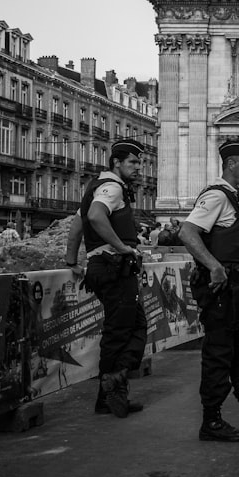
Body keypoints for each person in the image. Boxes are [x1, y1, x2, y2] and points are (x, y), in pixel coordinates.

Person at [179, 139, 239, 443]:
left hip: (238, 288)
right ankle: (212, 421)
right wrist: (213, 266)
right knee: (219, 354)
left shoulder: (237, 196)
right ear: (231, 163)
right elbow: (187, 232)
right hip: (222, 289)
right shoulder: (217, 196)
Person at [74, 138, 147, 418]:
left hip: (102, 266)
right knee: (125, 330)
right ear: (116, 162)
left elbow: (77, 224)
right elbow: (93, 216)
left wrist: (72, 259)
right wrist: (122, 247)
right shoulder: (112, 187)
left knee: (127, 327)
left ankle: (111, 392)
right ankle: (112, 384)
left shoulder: (95, 187)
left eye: (139, 162)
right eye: (133, 162)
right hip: (113, 266)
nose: (138, 167)